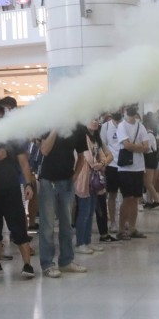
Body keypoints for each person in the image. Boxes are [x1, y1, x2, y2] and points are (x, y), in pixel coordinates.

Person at [0, 104, 37, 279]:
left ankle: (27, 265)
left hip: (12, 189)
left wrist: (29, 184)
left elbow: (24, 163)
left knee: (19, 228)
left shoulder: (13, 139)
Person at [38, 125, 89, 277]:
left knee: (67, 224)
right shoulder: (47, 124)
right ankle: (47, 264)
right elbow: (44, 150)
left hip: (67, 182)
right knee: (47, 226)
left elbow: (81, 156)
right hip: (48, 181)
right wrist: (55, 129)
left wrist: (75, 175)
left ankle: (66, 261)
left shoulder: (79, 128)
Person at [75, 118, 112, 254]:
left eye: (97, 119)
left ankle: (87, 241)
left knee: (90, 212)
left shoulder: (95, 138)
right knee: (84, 212)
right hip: (85, 179)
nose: (94, 121)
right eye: (91, 118)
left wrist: (102, 163)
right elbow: (89, 159)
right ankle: (80, 243)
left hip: (94, 178)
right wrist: (101, 163)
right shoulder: (82, 137)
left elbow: (105, 156)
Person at [116, 104, 151, 239]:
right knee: (127, 198)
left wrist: (135, 147)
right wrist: (139, 147)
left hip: (138, 167)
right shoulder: (122, 126)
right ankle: (121, 229)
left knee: (135, 199)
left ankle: (132, 228)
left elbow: (147, 147)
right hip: (125, 169)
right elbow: (127, 145)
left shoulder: (140, 126)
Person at [100, 110, 123, 234]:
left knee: (125, 195)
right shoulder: (106, 126)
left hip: (125, 165)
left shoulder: (125, 124)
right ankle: (113, 222)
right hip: (111, 165)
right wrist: (104, 163)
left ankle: (123, 222)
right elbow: (103, 146)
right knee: (112, 194)